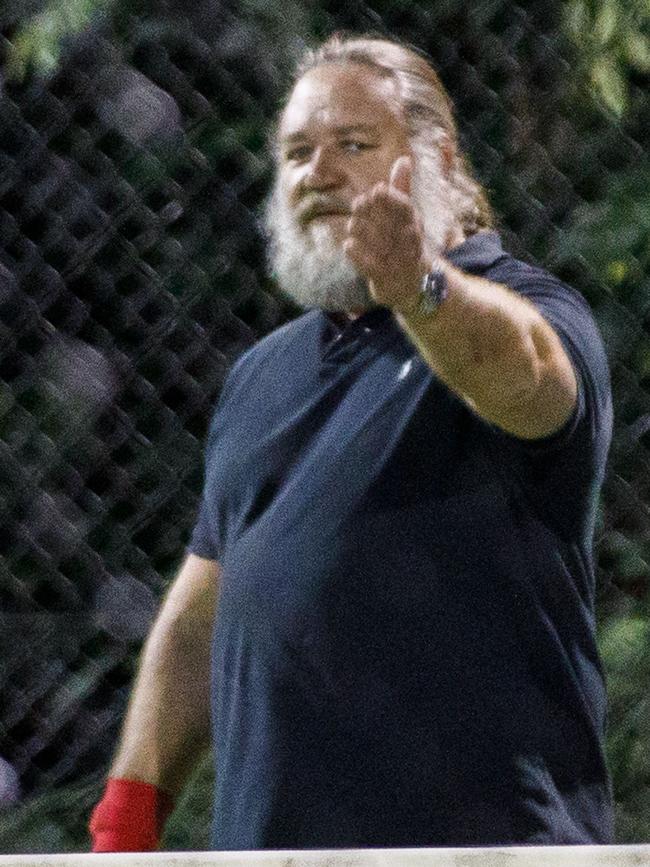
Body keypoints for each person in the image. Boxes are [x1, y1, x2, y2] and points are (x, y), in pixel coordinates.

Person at [90, 34, 614, 851]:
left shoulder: (527, 307)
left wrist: (420, 288)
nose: (317, 172)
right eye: (297, 151)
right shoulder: (262, 374)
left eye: (353, 145)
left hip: (478, 848)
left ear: (435, 158)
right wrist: (128, 811)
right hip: (275, 848)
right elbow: (205, 610)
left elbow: (527, 374)